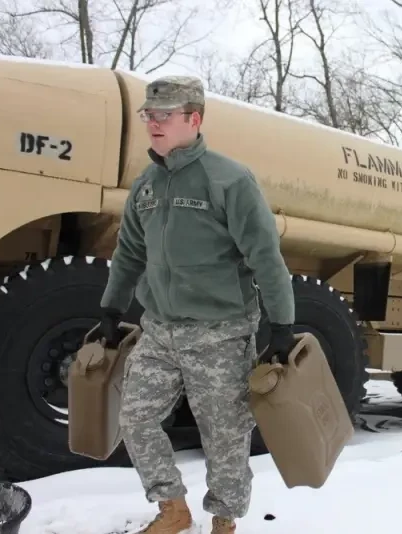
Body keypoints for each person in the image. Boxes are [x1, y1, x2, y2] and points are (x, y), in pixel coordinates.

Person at [96, 75, 296, 534]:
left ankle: (224, 520)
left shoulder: (230, 179)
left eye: (164, 115)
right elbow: (129, 252)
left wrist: (281, 325)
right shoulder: (147, 184)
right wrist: (110, 310)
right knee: (136, 418)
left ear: (194, 118)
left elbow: (266, 257)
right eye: (149, 114)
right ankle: (172, 508)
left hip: (219, 333)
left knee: (224, 435)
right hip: (159, 330)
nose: (153, 123)